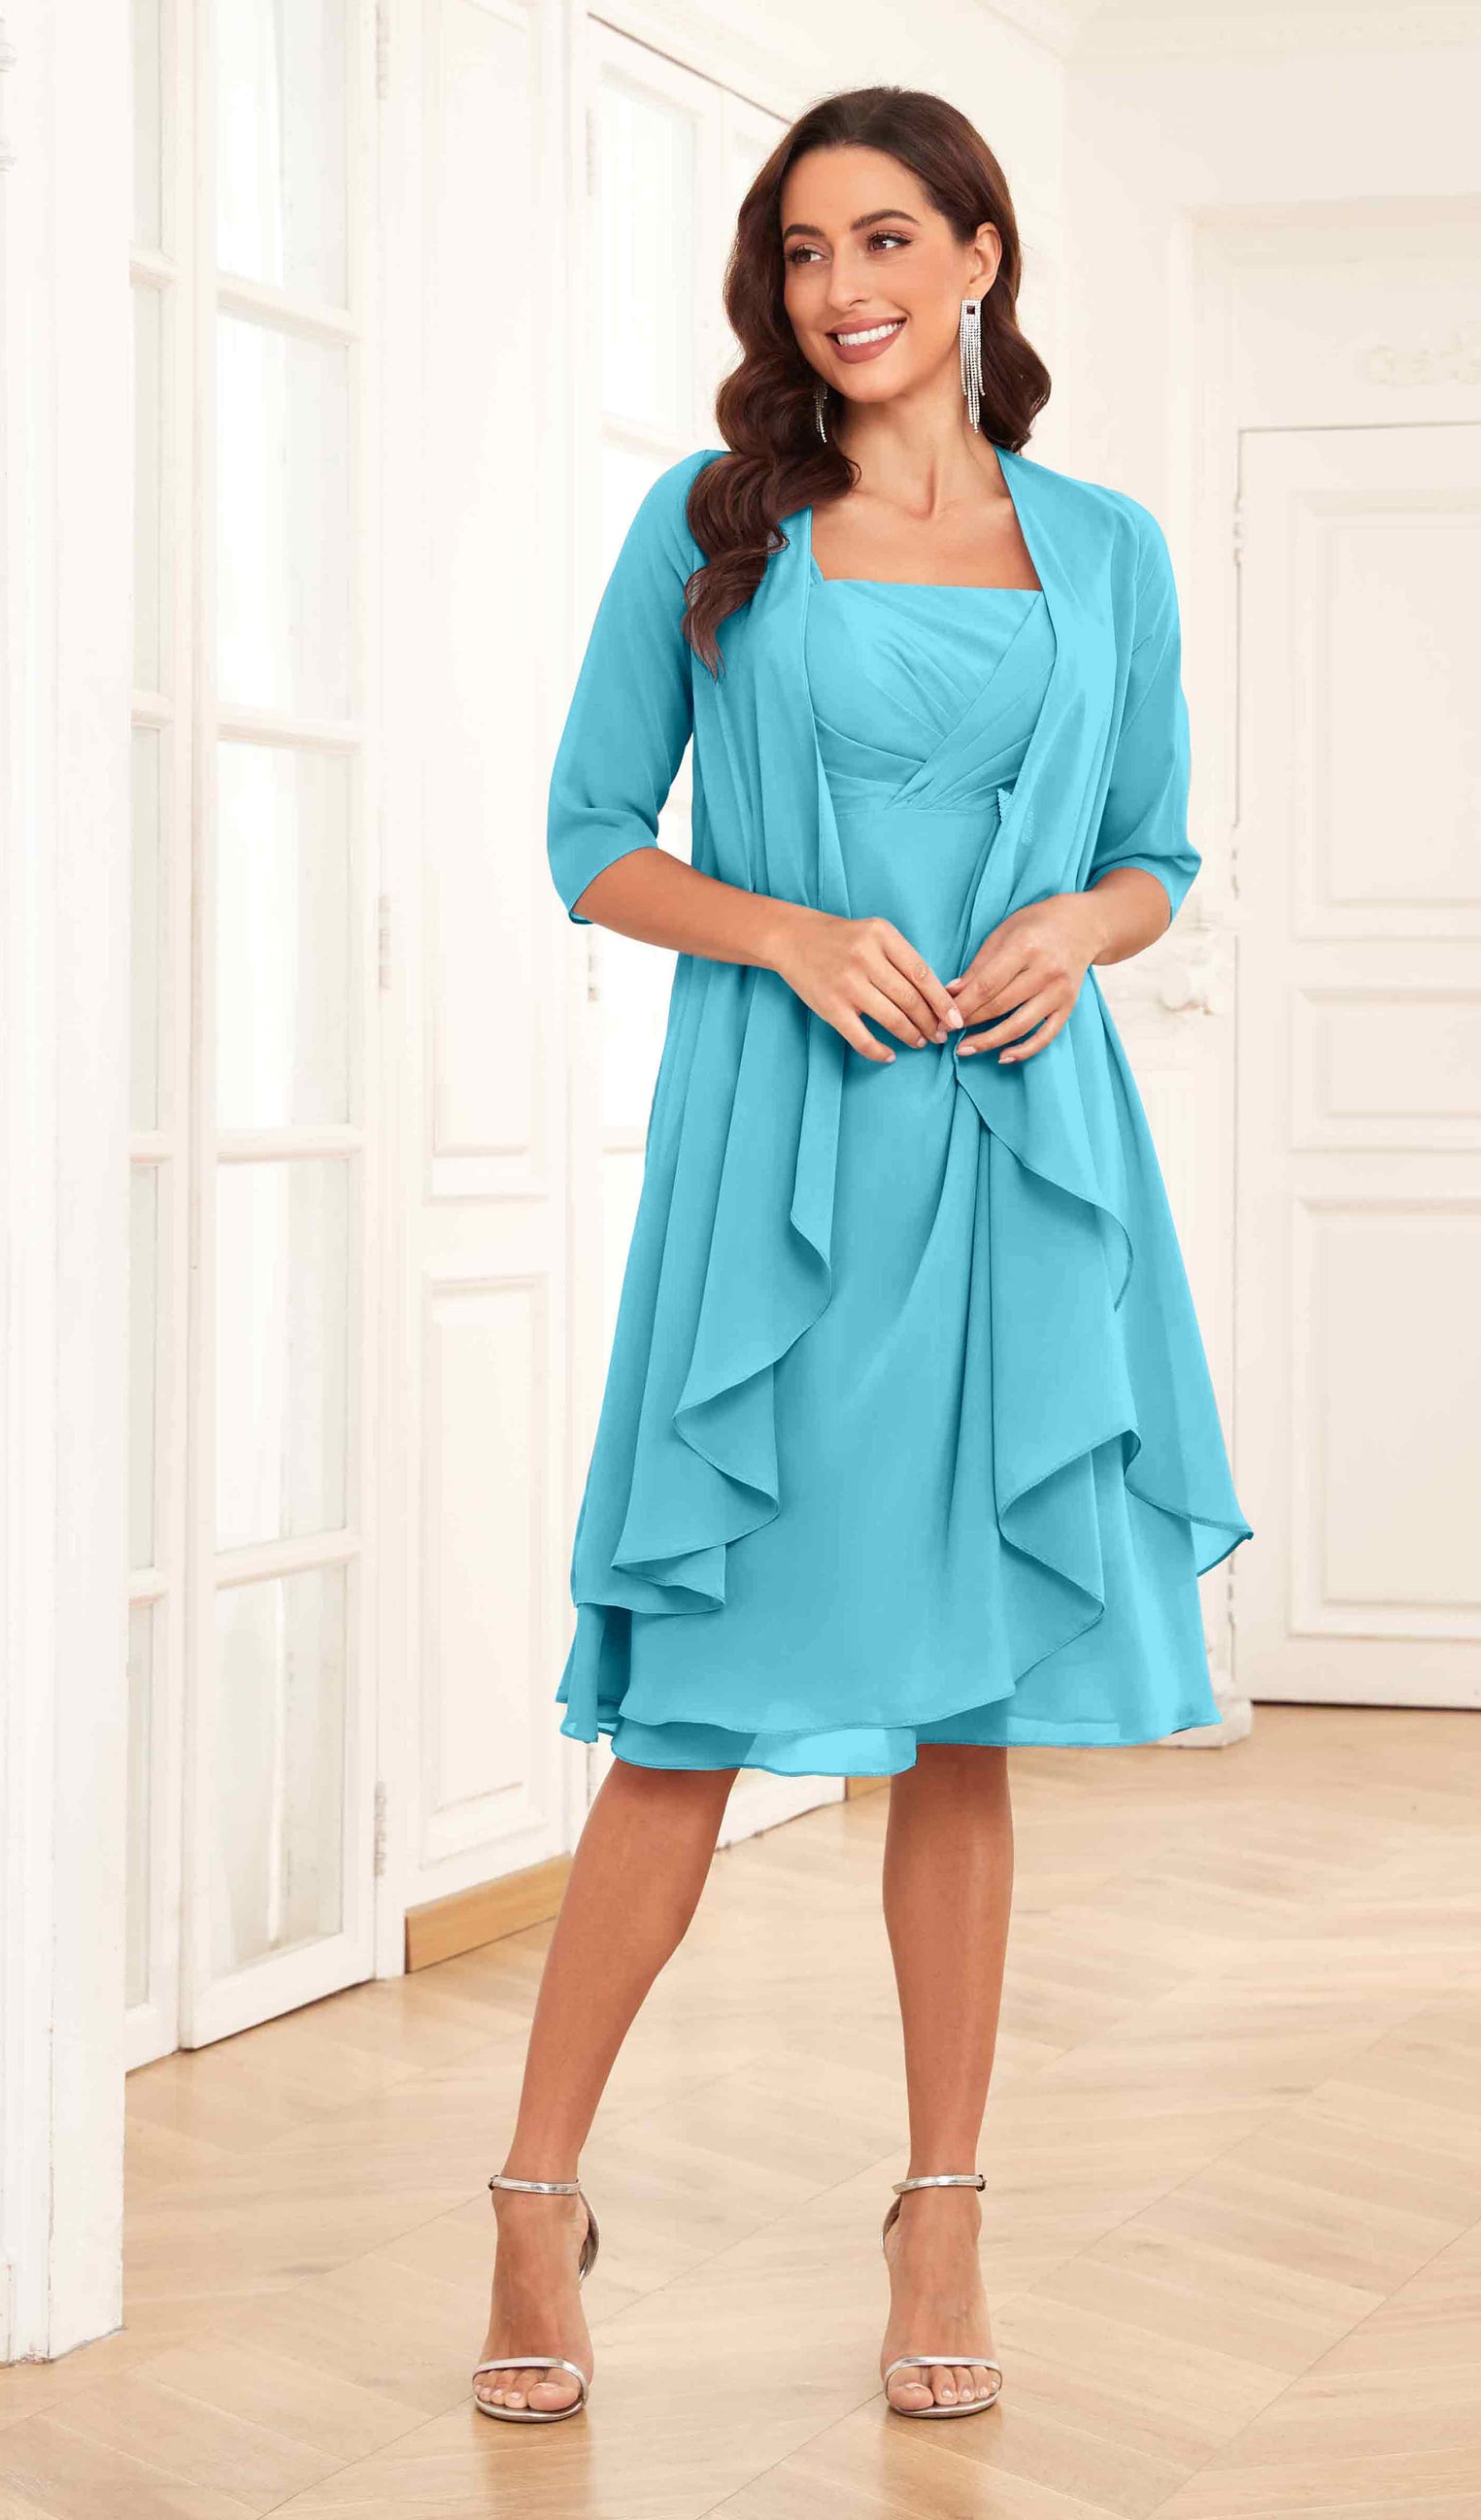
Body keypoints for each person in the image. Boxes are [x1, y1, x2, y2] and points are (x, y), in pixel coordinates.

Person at [471, 83, 1251, 2430]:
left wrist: (1077, 931)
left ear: (981, 253)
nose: (842, 288)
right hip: (783, 1179)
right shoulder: (713, 526)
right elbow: (588, 835)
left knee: (962, 1714)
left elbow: (1155, 851)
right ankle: (531, 2196)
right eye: (803, 251)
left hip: (1016, 1158)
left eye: (886, 237)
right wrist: (790, 931)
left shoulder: (1104, 547)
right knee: (691, 1715)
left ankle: (941, 2210)